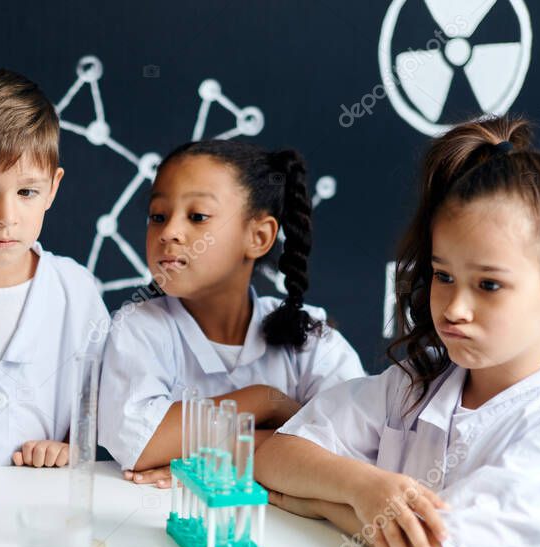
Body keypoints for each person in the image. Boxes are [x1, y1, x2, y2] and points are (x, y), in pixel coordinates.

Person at [257, 116, 540, 547]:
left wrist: (321, 502)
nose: (455, 308)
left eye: (489, 284)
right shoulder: (416, 381)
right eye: (444, 276)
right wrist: (366, 487)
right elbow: (276, 457)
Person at [98, 139, 365, 486]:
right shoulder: (139, 327)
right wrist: (266, 402)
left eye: (197, 217)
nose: (169, 233)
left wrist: (217, 456)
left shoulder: (311, 337)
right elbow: (142, 444)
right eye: (158, 216)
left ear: (258, 236)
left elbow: (352, 447)